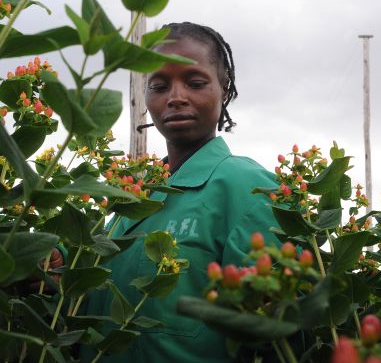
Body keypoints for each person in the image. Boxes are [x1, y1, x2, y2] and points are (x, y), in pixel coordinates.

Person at [81, 22, 280, 362]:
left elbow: (271, 330)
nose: (175, 97)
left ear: (224, 89)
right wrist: (56, 264)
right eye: (158, 85)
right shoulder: (135, 199)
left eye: (195, 82)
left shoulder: (248, 187)